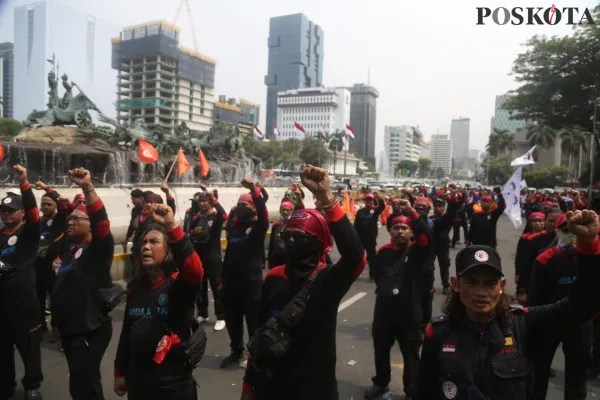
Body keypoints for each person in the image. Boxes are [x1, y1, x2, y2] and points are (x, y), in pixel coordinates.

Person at [415, 209, 600, 400]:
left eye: (490, 283)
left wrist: (589, 245)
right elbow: (423, 393)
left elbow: (584, 305)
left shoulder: (524, 325)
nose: (481, 292)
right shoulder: (437, 334)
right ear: (455, 285)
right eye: (472, 282)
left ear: (501, 286)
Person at [241, 164, 366, 400]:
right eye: (286, 235)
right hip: (272, 386)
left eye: (299, 237)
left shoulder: (327, 280)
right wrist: (249, 385)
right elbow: (259, 334)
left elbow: (356, 258)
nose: (290, 241)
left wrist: (326, 197)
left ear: (319, 243)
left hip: (314, 389)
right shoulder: (274, 277)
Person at [113, 203, 204, 400]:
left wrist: (172, 225)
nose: (146, 246)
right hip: (138, 385)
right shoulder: (136, 289)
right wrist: (119, 372)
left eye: (154, 242)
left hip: (173, 386)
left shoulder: (179, 285)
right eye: (143, 242)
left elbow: (195, 271)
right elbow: (127, 332)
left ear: (168, 251)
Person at [50, 168, 115, 400]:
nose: (70, 222)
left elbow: (102, 223)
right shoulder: (71, 248)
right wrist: (57, 323)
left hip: (90, 329)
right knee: (79, 380)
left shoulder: (97, 250)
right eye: (70, 218)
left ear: (90, 227)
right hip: (70, 328)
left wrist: (87, 187)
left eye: (77, 219)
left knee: (85, 381)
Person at [365, 199, 433, 400]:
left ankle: (411, 390)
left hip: (409, 312)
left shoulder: (417, 251)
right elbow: (378, 277)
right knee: (381, 349)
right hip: (385, 311)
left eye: (404, 228)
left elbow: (426, 238)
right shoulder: (383, 252)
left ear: (411, 231)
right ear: (390, 231)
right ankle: (381, 383)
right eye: (396, 227)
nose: (400, 231)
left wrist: (412, 211)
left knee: (411, 354)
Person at [528, 214, 592, 399]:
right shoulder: (543, 261)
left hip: (580, 323)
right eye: (566, 230)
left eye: (575, 231)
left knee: (577, 375)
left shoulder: (589, 259)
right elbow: (535, 299)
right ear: (557, 231)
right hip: (549, 321)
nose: (571, 235)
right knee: (539, 373)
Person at [0, 165, 43, 400]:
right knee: (2, 349)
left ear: (22, 213)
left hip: (24, 305)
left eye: (11, 210)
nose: (5, 214)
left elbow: (34, 211)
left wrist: (24, 183)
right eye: (2, 210)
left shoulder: (29, 232)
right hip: (2, 305)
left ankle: (32, 385)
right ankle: (5, 384)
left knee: (29, 347)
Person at [221, 178, 269, 368]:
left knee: (253, 321)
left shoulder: (257, 227)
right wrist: (221, 278)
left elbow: (264, 217)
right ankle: (236, 351)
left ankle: (255, 353)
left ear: (253, 207)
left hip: (251, 283)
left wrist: (256, 192)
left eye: (245, 204)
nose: (241, 207)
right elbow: (229, 253)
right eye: (239, 204)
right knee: (233, 320)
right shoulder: (234, 226)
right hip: (232, 282)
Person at [183, 190, 227, 331]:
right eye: (200, 201)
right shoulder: (196, 217)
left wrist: (215, 200)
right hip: (199, 257)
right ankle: (203, 313)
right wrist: (192, 233)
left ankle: (221, 317)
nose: (202, 204)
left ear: (210, 202)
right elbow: (188, 233)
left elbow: (225, 215)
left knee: (216, 287)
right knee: (200, 287)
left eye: (204, 201)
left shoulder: (216, 217)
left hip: (213, 258)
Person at [33, 180, 69, 332]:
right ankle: (40, 325)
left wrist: (46, 188)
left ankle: (57, 327)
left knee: (55, 298)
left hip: (54, 266)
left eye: (49, 204)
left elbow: (62, 201)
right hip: (37, 266)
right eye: (43, 204)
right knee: (38, 298)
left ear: (55, 206)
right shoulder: (37, 222)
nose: (46, 207)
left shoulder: (59, 220)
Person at [516, 206, 562, 303]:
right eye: (551, 221)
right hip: (536, 287)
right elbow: (525, 267)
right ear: (545, 220)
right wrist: (523, 290)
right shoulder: (532, 240)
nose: (554, 224)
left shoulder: (566, 240)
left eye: (557, 221)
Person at [354, 192, 386, 280]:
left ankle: (373, 275)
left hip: (371, 240)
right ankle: (355, 273)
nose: (368, 201)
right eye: (366, 199)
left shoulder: (375, 211)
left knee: (372, 259)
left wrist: (378, 197)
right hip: (360, 239)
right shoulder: (360, 212)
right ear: (364, 201)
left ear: (373, 201)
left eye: (370, 199)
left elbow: (382, 206)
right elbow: (356, 226)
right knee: (358, 257)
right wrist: (354, 237)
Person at [514, 211, 545, 289]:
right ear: (530, 222)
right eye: (535, 221)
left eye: (540, 221)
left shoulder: (548, 237)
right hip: (528, 271)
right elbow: (519, 258)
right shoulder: (525, 238)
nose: (538, 223)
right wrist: (518, 274)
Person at [267, 201, 294, 269]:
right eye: (283, 209)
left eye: (287, 210)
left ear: (292, 211)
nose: (285, 212)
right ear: (280, 210)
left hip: (289, 257)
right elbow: (272, 243)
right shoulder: (276, 225)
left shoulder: (294, 224)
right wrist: (269, 258)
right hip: (276, 258)